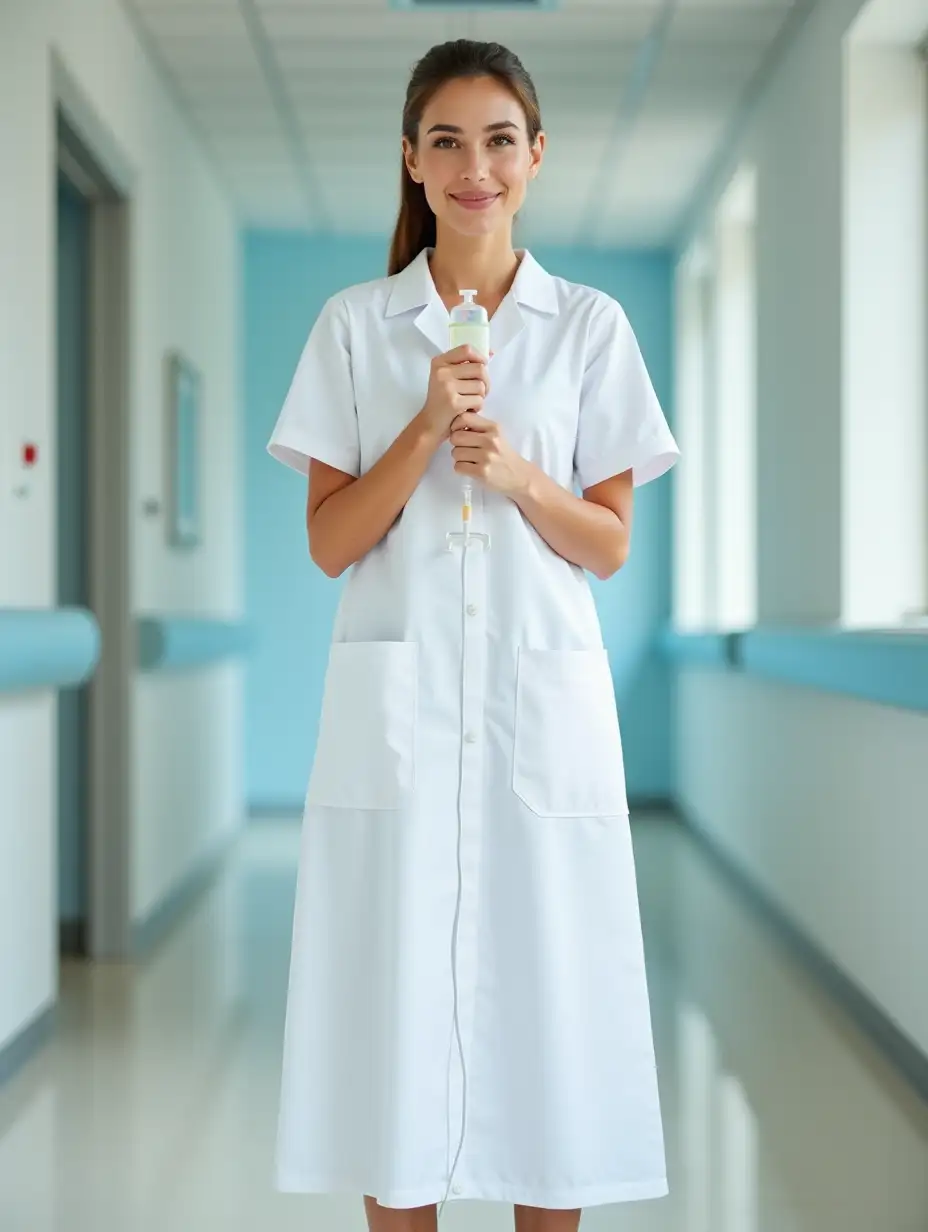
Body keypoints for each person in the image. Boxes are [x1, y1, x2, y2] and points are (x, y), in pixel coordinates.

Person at [267, 37, 680, 1232]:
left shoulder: (589, 327)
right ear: (410, 159)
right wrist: (421, 428)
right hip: (396, 736)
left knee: (552, 1047)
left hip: (533, 729)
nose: (473, 166)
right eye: (444, 139)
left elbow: (605, 542)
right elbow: (331, 541)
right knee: (390, 1045)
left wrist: (512, 469)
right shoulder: (355, 326)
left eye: (499, 139)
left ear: (535, 156)